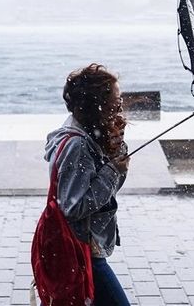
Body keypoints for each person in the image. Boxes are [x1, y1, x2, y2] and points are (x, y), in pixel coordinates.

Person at [43, 63, 130, 305]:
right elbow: (74, 206)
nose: (120, 106)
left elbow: (108, 191)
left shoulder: (89, 135)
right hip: (81, 249)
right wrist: (113, 170)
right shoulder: (77, 145)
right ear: (96, 105)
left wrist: (116, 148)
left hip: (83, 247)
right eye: (116, 100)